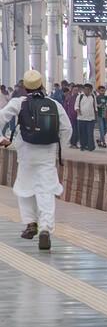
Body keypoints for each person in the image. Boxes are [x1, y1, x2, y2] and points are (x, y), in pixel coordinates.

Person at [0, 71, 72, 250]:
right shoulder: (54, 104)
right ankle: (45, 228)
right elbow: (67, 129)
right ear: (42, 86)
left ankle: (30, 223)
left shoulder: (19, 103)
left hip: (26, 154)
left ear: (24, 87)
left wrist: (1, 138)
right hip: (47, 155)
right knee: (46, 191)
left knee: (25, 188)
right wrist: (58, 146)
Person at [75, 83, 98, 151]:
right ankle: (83, 146)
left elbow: (95, 107)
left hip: (91, 118)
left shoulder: (93, 96)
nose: (86, 91)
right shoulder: (80, 96)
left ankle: (90, 146)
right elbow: (76, 106)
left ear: (91, 90)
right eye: (85, 89)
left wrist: (96, 116)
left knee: (90, 133)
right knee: (82, 133)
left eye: (88, 89)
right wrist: (78, 112)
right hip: (81, 118)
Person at [95, 84, 107, 148]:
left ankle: (100, 140)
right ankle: (103, 142)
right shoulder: (97, 98)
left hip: (105, 115)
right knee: (101, 129)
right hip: (100, 115)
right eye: (101, 91)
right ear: (98, 91)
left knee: (106, 129)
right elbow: (95, 106)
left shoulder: (106, 97)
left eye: (103, 91)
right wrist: (99, 105)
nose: (102, 92)